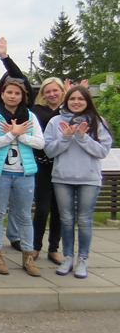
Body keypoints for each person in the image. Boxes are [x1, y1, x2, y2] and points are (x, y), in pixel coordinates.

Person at [44, 86, 112, 279]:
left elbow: (102, 151)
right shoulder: (55, 121)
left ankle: (83, 259)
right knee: (66, 219)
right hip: (62, 178)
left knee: (84, 220)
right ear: (66, 100)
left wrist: (82, 137)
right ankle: (67, 257)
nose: (76, 102)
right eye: (72, 98)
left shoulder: (97, 122)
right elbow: (49, 150)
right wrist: (65, 137)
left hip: (89, 179)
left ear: (87, 101)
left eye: (80, 99)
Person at [0, 79, 44, 277]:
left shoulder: (30, 116)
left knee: (25, 216)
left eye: (17, 93)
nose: (12, 96)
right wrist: (11, 135)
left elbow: (40, 143)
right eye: (9, 92)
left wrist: (19, 135)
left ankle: (28, 257)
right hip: (0, 173)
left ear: (22, 97)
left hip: (24, 174)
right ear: (2, 94)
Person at [30, 77, 67, 263]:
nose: (52, 94)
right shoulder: (37, 111)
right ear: (43, 94)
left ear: (62, 91)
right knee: (42, 208)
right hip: (42, 165)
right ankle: (35, 246)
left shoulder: (70, 111)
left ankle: (54, 248)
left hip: (63, 166)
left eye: (55, 90)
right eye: (48, 91)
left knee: (59, 209)